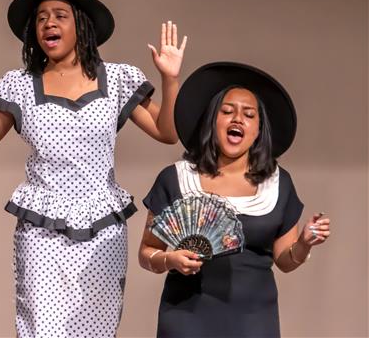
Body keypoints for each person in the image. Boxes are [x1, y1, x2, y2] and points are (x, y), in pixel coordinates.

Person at [0, 0, 186, 337]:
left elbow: (166, 132)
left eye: (60, 15)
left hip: (102, 228)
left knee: (96, 328)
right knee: (41, 328)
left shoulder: (118, 79)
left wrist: (170, 79)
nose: (49, 24)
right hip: (41, 228)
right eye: (41, 18)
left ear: (82, 26)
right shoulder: (19, 84)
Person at [138, 62, 331, 337]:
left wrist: (304, 243)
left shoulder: (278, 184)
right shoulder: (176, 179)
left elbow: (286, 261)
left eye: (249, 114)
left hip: (254, 320)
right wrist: (171, 260)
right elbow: (147, 253)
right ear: (212, 121)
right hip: (186, 319)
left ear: (258, 129)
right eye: (227, 112)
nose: (237, 119)